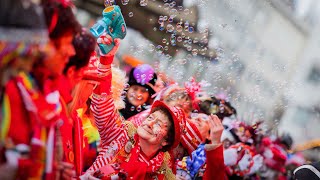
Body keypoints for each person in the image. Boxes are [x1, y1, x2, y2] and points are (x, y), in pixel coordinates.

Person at [80, 34, 187, 179]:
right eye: (151, 117)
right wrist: (106, 60)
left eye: (159, 124)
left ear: (166, 141)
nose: (150, 123)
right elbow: (102, 102)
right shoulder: (120, 135)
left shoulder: (163, 175)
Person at [0, 0, 80, 178]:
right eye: (67, 42)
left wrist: (49, 170)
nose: (71, 52)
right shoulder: (13, 91)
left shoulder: (43, 93)